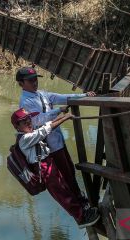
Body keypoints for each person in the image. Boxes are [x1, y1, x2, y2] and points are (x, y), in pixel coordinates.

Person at [16, 66, 96, 209]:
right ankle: (80, 206)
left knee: (70, 171)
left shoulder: (41, 94)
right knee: (64, 177)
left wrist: (84, 95)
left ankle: (81, 200)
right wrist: (58, 111)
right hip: (50, 148)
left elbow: (63, 97)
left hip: (58, 141)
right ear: (21, 83)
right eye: (30, 81)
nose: (35, 82)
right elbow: (38, 121)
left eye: (35, 79)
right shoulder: (25, 102)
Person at [11, 108, 100, 228]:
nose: (28, 122)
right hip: (42, 168)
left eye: (28, 119)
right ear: (17, 127)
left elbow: (47, 125)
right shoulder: (25, 139)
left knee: (65, 188)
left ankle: (83, 211)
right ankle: (81, 218)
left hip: (47, 163)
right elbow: (45, 130)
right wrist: (66, 118)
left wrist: (62, 115)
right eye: (24, 121)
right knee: (62, 194)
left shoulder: (29, 134)